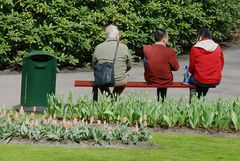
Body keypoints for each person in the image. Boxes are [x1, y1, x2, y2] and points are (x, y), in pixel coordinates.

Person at [92, 24, 132, 97]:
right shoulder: (124, 47)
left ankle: (108, 98)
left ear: (106, 36)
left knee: (100, 77)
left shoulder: (98, 47)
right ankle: (114, 99)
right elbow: (129, 65)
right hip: (119, 80)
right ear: (117, 35)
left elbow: (94, 65)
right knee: (124, 76)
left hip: (103, 79)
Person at [143, 28, 180, 101]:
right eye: (168, 37)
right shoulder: (169, 51)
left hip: (151, 79)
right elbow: (176, 67)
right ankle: (162, 101)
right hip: (166, 80)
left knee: (147, 61)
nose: (168, 39)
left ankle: (159, 101)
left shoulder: (146, 49)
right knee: (163, 76)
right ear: (164, 39)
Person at [189, 28, 224, 98]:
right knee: (203, 85)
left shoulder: (195, 48)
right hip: (215, 79)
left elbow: (191, 69)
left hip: (199, 79)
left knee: (191, 80)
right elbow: (221, 64)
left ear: (200, 37)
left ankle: (193, 100)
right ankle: (201, 98)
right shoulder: (218, 47)